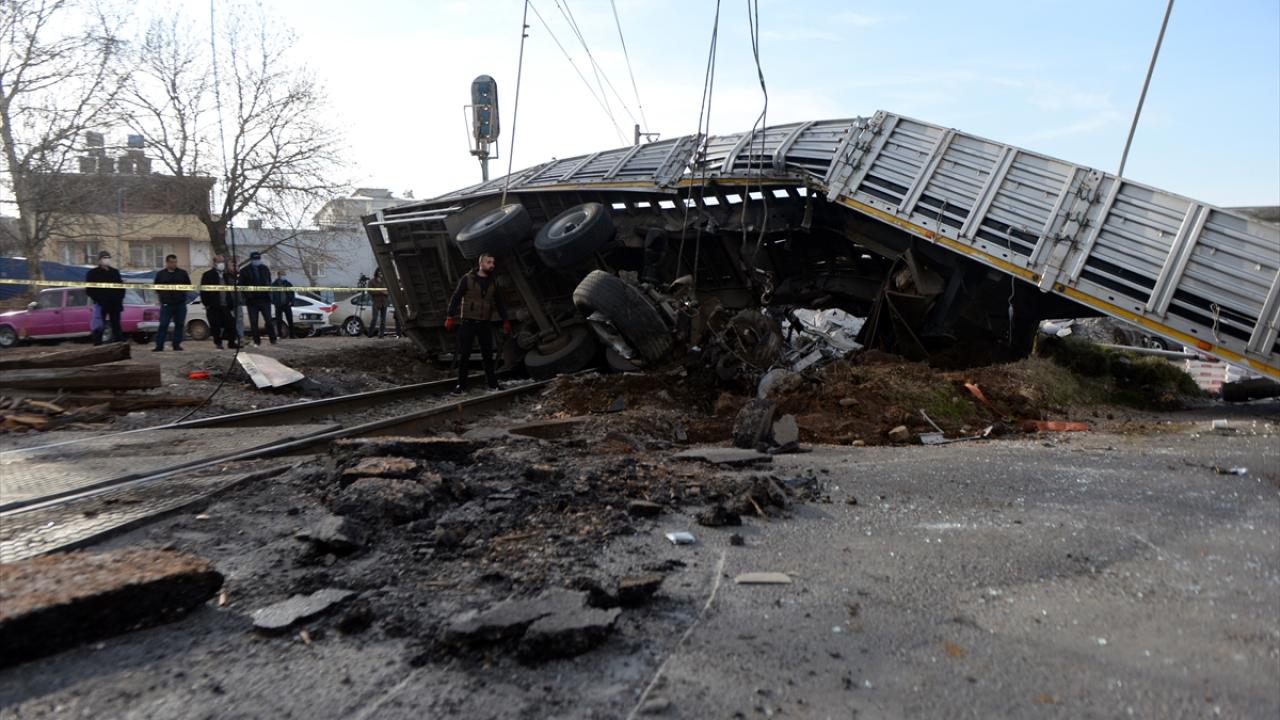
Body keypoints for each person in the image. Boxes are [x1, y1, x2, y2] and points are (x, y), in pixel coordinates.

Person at [445, 253, 512, 392]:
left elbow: (499, 302)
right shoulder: (467, 279)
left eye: (493, 263)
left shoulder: (493, 282)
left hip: (484, 323)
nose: (492, 265)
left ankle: (493, 384)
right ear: (481, 264)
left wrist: (505, 320)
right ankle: (461, 386)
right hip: (468, 322)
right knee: (465, 354)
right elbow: (456, 297)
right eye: (489, 262)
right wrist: (450, 316)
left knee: (488, 355)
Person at [85, 250, 125, 345]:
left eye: (107, 258)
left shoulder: (115, 272)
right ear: (99, 260)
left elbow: (121, 287)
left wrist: (119, 299)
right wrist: (98, 300)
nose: (106, 260)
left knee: (116, 325)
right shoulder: (92, 273)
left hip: (115, 304)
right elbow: (89, 290)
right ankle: (98, 345)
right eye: (104, 258)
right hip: (101, 304)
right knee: (99, 325)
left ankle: (119, 345)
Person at [152, 254, 190, 351]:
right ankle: (159, 345)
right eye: (172, 262)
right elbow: (156, 287)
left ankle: (176, 345)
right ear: (167, 263)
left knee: (179, 324)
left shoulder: (182, 273)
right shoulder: (161, 274)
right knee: (163, 324)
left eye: (175, 262)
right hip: (166, 304)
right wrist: (164, 296)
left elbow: (188, 286)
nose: (174, 264)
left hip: (180, 303)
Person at [239, 251, 277, 346]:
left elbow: (268, 281)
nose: (256, 261)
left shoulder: (264, 268)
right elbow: (242, 286)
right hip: (252, 301)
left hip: (265, 299)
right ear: (251, 260)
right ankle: (257, 341)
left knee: (269, 320)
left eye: (258, 259)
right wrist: (248, 296)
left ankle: (273, 339)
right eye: (255, 259)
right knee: (254, 322)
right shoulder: (244, 270)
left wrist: (269, 293)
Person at [200, 254, 236, 349]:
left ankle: (231, 342)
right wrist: (207, 304)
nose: (221, 264)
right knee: (215, 325)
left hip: (225, 305)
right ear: (214, 263)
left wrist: (231, 304)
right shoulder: (207, 275)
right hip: (213, 305)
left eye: (222, 262)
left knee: (231, 324)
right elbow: (203, 291)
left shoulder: (226, 275)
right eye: (219, 262)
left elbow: (229, 290)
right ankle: (218, 343)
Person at [368, 267, 397, 338]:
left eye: (382, 272)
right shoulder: (372, 281)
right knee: (374, 318)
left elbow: (389, 291)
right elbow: (370, 291)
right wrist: (380, 291)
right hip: (376, 302)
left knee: (383, 319)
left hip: (384, 302)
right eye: (379, 272)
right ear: (377, 272)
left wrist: (386, 293)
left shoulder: (385, 281)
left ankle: (381, 334)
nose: (381, 274)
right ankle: (370, 333)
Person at [270, 270, 295, 338]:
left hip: (287, 304)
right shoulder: (274, 284)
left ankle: (292, 335)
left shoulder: (288, 284)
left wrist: (291, 301)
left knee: (290, 319)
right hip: (278, 305)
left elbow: (292, 293)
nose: (283, 276)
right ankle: (280, 335)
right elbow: (271, 294)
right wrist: (274, 302)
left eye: (284, 274)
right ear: (278, 275)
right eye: (282, 275)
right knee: (279, 320)